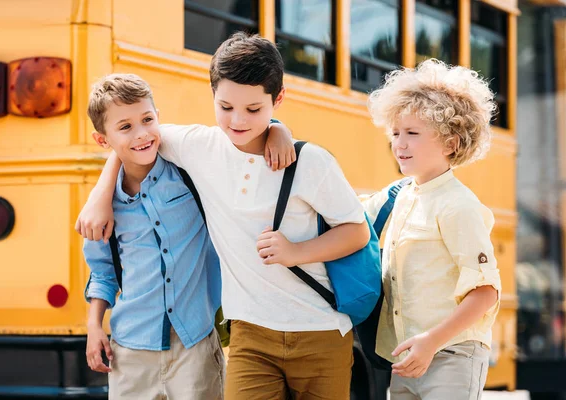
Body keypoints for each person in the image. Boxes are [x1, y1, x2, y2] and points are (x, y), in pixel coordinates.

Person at [77, 32, 370, 400]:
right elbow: (131, 139)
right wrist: (100, 195)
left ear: (277, 101)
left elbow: (356, 232)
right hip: (247, 334)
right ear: (212, 97)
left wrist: (296, 251)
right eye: (226, 107)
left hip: (319, 329)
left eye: (254, 110)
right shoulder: (198, 148)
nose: (238, 120)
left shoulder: (308, 162)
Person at [82, 73, 294, 399]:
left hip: (194, 341)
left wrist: (278, 128)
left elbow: (236, 139)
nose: (141, 134)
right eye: (125, 127)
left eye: (147, 120)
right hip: (130, 348)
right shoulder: (102, 208)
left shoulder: (189, 173)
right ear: (102, 140)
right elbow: (103, 272)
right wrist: (94, 326)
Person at [363, 59, 502, 400]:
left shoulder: (458, 205)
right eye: (395, 133)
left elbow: (486, 292)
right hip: (407, 355)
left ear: (451, 143)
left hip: (451, 354)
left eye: (412, 133)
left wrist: (431, 343)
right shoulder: (400, 196)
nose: (400, 144)